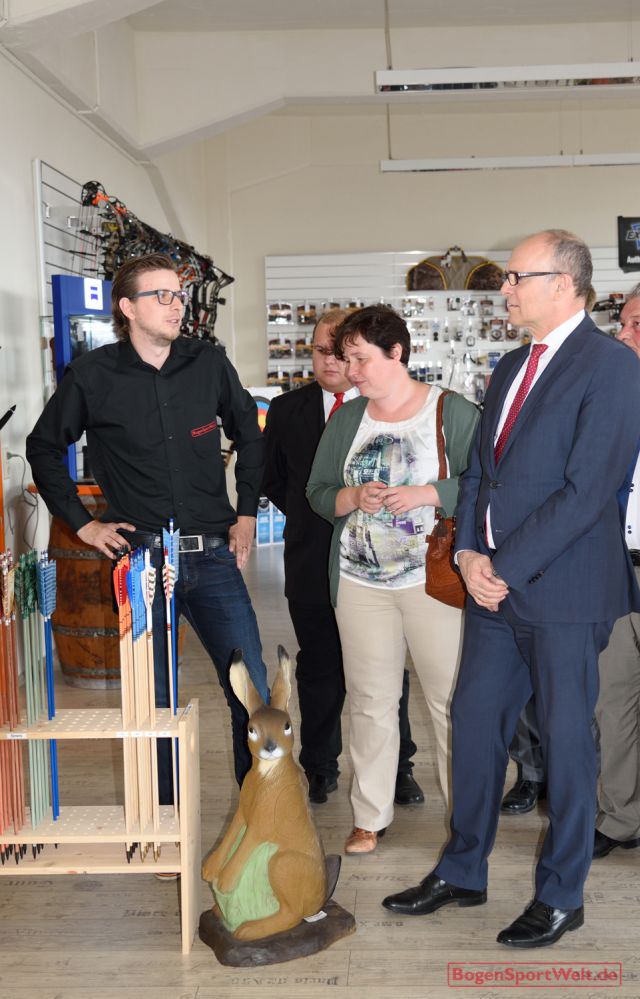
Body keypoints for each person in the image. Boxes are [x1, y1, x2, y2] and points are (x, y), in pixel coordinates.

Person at [382, 230, 640, 947]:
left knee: (565, 742)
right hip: (492, 584)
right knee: (473, 722)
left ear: (564, 283)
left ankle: (563, 893)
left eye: (517, 277)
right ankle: (463, 870)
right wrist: (466, 549)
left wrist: (504, 564)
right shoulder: (508, 368)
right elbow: (478, 474)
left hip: (562, 589)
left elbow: (588, 490)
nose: (505, 289)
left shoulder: (612, 367)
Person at [27, 252, 268, 808]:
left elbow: (251, 434)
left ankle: (262, 819)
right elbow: (42, 447)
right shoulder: (92, 375)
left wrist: (248, 510)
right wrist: (83, 525)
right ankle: (163, 818)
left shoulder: (207, 363)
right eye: (161, 295)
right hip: (141, 564)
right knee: (154, 699)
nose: (175, 304)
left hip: (212, 558)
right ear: (127, 307)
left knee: (250, 691)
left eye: (179, 295)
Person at [307, 304, 479, 854]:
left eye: (360, 358)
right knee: (369, 699)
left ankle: (467, 822)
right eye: (345, 358)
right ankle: (370, 815)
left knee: (451, 702)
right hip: (359, 583)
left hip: (434, 581)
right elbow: (317, 493)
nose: (351, 371)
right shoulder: (347, 420)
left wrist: (428, 493)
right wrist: (353, 497)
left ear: (396, 353)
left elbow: (487, 486)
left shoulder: (451, 412)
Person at [263, 308, 424, 806]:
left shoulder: (385, 407)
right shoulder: (288, 410)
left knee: (383, 667)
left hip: (380, 563)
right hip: (311, 560)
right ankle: (320, 766)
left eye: (341, 351)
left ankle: (399, 769)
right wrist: (317, 513)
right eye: (320, 350)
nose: (331, 360)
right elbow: (271, 480)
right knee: (320, 669)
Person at [594, 283, 640, 859]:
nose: (622, 334)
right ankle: (619, 818)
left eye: (634, 323)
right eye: (623, 323)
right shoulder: (610, 394)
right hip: (611, 571)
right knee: (613, 702)